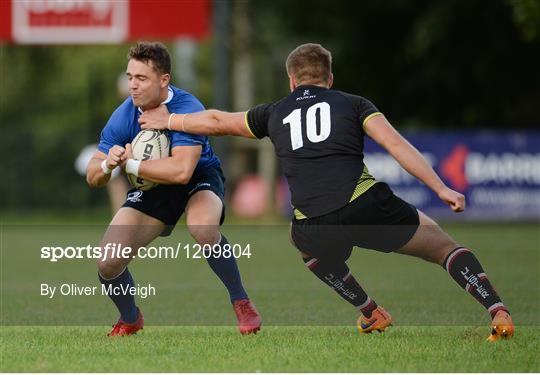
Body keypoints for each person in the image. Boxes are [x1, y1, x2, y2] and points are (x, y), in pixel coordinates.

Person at [138, 43, 514, 342]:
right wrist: (441, 187)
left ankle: (371, 312)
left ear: (291, 80)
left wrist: (169, 119)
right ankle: (497, 311)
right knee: (446, 249)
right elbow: (398, 146)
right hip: (367, 208)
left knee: (301, 242)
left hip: (314, 225)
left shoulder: (274, 112)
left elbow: (218, 121)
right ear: (329, 78)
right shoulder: (354, 104)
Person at [86, 41, 261, 336]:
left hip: (198, 175)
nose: (133, 86)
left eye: (141, 78)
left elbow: (181, 172)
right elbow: (93, 172)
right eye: (130, 77)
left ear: (164, 79)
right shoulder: (124, 113)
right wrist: (107, 165)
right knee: (108, 261)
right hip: (155, 186)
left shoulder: (187, 107)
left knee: (203, 227)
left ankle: (241, 301)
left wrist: (130, 166)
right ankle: (130, 318)